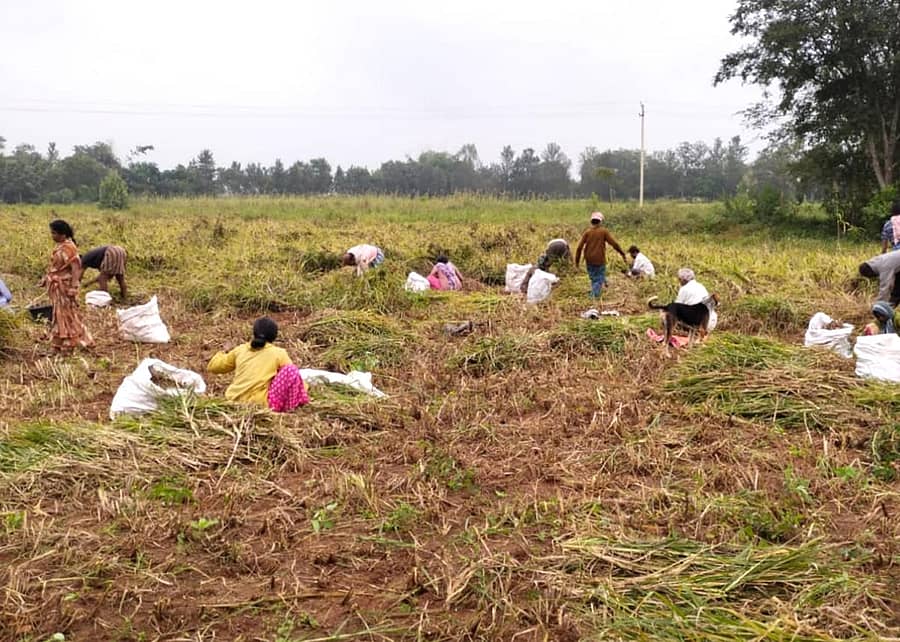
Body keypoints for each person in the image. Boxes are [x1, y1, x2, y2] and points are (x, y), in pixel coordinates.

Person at [207, 317, 308, 412]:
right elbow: (294, 377)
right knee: (290, 370)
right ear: (274, 336)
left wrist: (224, 351)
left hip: (234, 400)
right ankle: (288, 409)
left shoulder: (240, 350)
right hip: (259, 403)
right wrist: (304, 389)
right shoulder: (279, 353)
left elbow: (214, 367)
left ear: (254, 333)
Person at [42, 220, 94, 352]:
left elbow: (76, 268)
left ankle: (70, 342)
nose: (52, 236)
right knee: (60, 314)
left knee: (67, 314)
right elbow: (56, 267)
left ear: (63, 234)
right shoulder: (60, 246)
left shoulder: (69, 248)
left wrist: (74, 287)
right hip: (57, 286)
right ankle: (61, 342)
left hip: (65, 286)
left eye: (54, 233)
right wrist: (46, 278)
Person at [574, 211, 627, 298]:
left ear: (591, 221)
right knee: (599, 279)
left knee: (594, 277)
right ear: (600, 221)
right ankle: (593, 297)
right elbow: (614, 244)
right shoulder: (603, 232)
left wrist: (577, 263)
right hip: (599, 259)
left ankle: (598, 287)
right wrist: (622, 253)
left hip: (589, 259)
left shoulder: (587, 232)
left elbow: (579, 248)